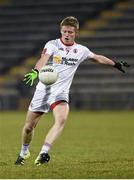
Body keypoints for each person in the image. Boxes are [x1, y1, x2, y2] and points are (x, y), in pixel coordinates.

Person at [15, 16, 129, 166]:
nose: (67, 34)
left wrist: (115, 64)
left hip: (60, 93)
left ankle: (43, 153)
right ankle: (24, 151)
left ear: (76, 32)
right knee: (29, 127)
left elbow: (97, 58)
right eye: (64, 31)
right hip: (43, 91)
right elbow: (43, 59)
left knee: (61, 119)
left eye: (70, 32)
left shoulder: (81, 50)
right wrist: (36, 71)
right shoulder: (52, 45)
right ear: (60, 31)